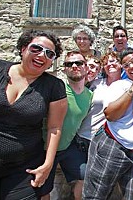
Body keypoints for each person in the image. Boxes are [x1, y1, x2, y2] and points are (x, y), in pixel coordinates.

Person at [0, 30, 68, 199]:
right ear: (23, 49)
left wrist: (47, 164)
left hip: (23, 168)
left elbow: (54, 127)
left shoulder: (54, 86)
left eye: (49, 53)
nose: (42, 55)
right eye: (36, 48)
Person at [83, 48, 133, 199]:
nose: (131, 66)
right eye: (126, 65)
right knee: (95, 195)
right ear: (123, 69)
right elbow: (110, 114)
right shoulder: (119, 86)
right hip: (114, 144)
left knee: (132, 195)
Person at [41, 51, 93, 200]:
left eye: (79, 63)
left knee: (84, 177)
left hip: (68, 147)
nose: (74, 66)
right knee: (43, 189)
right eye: (69, 64)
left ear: (86, 67)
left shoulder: (89, 95)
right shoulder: (57, 88)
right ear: (64, 69)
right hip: (45, 148)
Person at [77, 51, 122, 158]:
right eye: (106, 63)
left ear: (120, 64)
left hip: (103, 140)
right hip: (82, 136)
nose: (109, 64)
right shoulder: (96, 83)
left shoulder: (127, 85)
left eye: (112, 61)